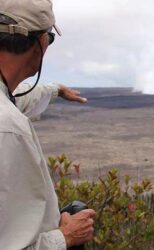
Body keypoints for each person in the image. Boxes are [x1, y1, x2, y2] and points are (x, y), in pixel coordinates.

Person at [0, 0, 95, 249]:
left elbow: (13, 98)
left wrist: (54, 91)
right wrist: (66, 237)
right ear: (41, 42)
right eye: (49, 39)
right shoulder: (8, 130)